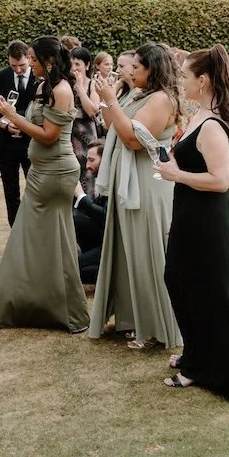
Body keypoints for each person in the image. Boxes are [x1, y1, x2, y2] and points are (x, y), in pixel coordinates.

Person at [155, 46, 229, 400]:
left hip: (206, 216)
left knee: (203, 287)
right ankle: (196, 353)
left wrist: (176, 173)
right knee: (183, 280)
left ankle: (201, 366)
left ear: (202, 81)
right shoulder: (199, 112)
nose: (181, 80)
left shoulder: (213, 125)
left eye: (186, 76)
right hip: (191, 210)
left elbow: (222, 181)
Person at [0, 37, 89, 333]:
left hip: (55, 173)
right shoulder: (43, 87)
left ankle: (62, 311)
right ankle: (37, 304)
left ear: (49, 60)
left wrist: (12, 116)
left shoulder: (62, 89)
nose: (29, 63)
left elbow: (48, 136)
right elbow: (35, 126)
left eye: (33, 58)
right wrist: (13, 119)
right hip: (42, 170)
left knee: (42, 238)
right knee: (40, 241)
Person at [88, 42, 182, 349]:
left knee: (147, 254)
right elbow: (114, 124)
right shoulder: (141, 94)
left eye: (137, 67)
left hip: (147, 182)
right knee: (130, 253)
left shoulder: (161, 99)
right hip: (129, 182)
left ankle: (155, 327)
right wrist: (112, 100)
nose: (131, 71)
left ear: (152, 70)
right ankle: (132, 319)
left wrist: (111, 100)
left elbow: (132, 140)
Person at [0, 41, 38, 227]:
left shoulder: (39, 75)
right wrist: (5, 124)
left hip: (32, 143)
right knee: (10, 192)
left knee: (34, 189)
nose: (18, 70)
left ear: (28, 58)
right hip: (7, 144)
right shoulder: (2, 76)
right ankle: (15, 230)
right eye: (13, 66)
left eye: (22, 66)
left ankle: (34, 229)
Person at [68, 46, 101, 196]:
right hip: (68, 138)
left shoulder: (92, 84)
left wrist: (80, 88)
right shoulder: (64, 84)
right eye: (71, 64)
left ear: (87, 65)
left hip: (87, 138)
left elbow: (92, 111)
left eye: (78, 64)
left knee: (88, 177)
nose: (74, 68)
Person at [73, 141, 108, 284]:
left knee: (72, 270)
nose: (87, 165)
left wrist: (80, 196)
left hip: (115, 244)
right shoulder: (102, 179)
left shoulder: (116, 181)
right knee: (76, 220)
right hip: (102, 238)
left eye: (92, 160)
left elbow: (107, 218)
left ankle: (114, 275)